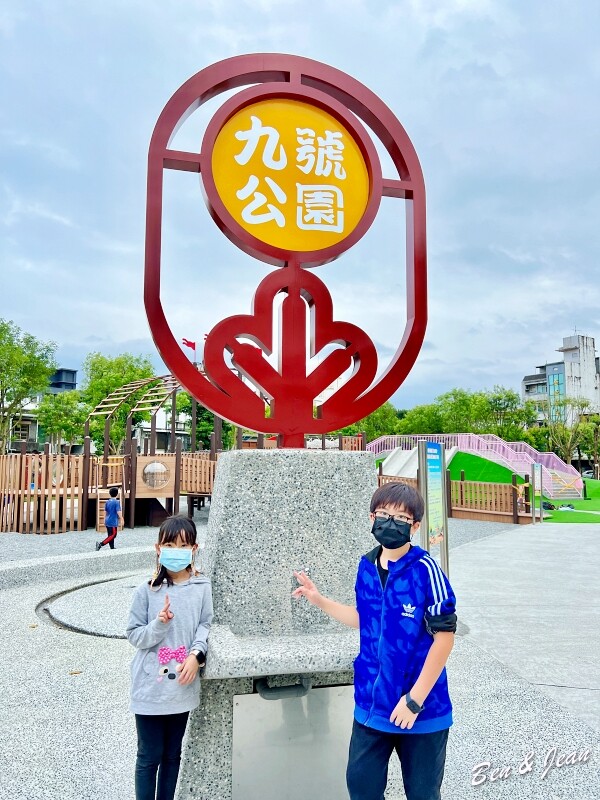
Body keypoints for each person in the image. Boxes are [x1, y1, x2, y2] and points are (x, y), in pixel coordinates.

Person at [293, 482, 457, 800]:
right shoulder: (366, 566)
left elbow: (444, 639)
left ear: (416, 526)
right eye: (383, 514)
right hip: (372, 705)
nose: (389, 522)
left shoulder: (426, 571)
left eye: (400, 518)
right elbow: (365, 619)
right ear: (372, 518)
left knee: (423, 794)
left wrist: (414, 701)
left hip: (421, 710)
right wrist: (319, 600)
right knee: (361, 787)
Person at [126, 515, 213, 800]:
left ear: (194, 548)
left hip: (182, 687)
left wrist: (196, 655)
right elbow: (135, 636)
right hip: (150, 689)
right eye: (169, 544)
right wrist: (159, 624)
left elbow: (205, 625)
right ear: (158, 548)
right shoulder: (147, 590)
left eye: (183, 545)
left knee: (173, 755)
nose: (176, 550)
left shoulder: (202, 587)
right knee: (149, 756)